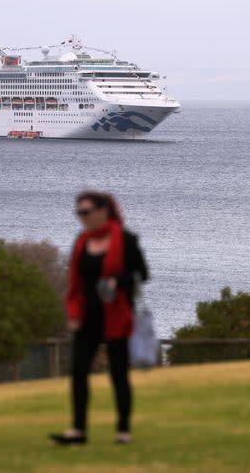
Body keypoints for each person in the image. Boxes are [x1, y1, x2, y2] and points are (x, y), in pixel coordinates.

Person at [49, 191, 149, 446]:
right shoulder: (81, 242)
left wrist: (117, 281)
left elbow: (142, 274)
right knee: (78, 370)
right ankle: (78, 429)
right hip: (87, 316)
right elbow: (76, 283)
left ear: (103, 211)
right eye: (79, 213)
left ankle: (123, 429)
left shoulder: (126, 240)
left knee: (118, 373)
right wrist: (73, 313)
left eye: (87, 212)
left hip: (117, 314)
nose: (83, 217)